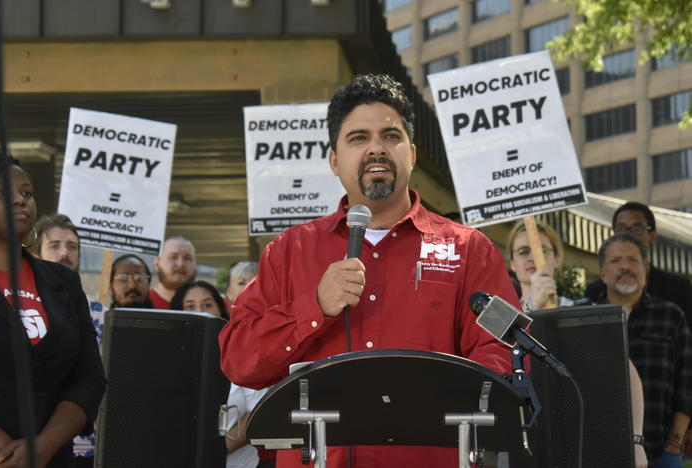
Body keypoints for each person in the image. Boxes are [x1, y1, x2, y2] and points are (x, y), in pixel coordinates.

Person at [219, 74, 518, 467]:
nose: (376, 148)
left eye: (391, 136)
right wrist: (314, 308)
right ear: (334, 160)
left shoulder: (470, 250)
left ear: (411, 154)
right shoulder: (288, 251)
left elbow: (506, 350)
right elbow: (239, 359)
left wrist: (436, 396)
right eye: (358, 138)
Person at [0, 148, 105, 467]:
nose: (21, 200)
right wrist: (3, 451)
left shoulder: (63, 282)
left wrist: (43, 447)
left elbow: (89, 378)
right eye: (4, 193)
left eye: (27, 192)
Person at [505, 219, 648, 466]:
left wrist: (635, 441)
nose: (532, 257)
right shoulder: (502, 316)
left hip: (583, 441)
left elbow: (626, 372)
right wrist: (532, 309)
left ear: (557, 258)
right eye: (522, 251)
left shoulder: (583, 313)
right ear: (512, 263)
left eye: (541, 249)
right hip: (523, 445)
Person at [596, 233, 692, 466]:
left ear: (646, 269)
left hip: (660, 453)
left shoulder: (670, 315)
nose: (625, 266)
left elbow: (687, 381)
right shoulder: (587, 319)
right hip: (600, 450)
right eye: (616, 260)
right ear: (602, 273)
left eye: (633, 260)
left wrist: (674, 443)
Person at [172, 277, 273, 468]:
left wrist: (218, 448)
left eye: (207, 304)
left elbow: (258, 410)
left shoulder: (239, 353)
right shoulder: (166, 358)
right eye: (190, 306)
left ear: (220, 309)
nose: (199, 312)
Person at [31, 213, 104, 467]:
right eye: (55, 245)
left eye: (72, 246)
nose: (65, 253)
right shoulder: (25, 310)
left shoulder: (103, 314)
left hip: (94, 445)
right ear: (36, 254)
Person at [586, 201, 692, 329]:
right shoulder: (595, 293)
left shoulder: (677, 289)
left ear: (652, 235)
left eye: (637, 229)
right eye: (620, 229)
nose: (628, 234)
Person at [150, 236, 197, 309]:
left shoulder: (214, 307)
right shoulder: (141, 305)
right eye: (173, 257)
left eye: (187, 258)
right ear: (156, 264)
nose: (180, 264)